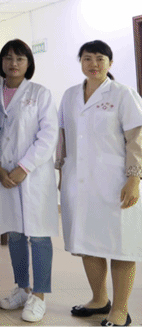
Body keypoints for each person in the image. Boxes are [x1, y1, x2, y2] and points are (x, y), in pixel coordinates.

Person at [59, 40, 142, 327]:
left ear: (110, 63)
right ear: (80, 62)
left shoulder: (122, 94)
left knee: (121, 245)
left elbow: (136, 139)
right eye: (87, 58)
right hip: (78, 181)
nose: (93, 64)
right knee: (87, 242)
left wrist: (134, 178)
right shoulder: (70, 95)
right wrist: (62, 174)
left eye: (99, 58)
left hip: (115, 182)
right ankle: (98, 299)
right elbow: (63, 137)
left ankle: (120, 310)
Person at [0, 39, 58, 323]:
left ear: (29, 63)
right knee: (14, 234)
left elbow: (48, 135)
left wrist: (24, 167)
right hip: (2, 174)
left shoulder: (40, 93)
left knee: (38, 235)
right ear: (1, 62)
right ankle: (22, 288)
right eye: (7, 58)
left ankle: (39, 295)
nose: (13, 63)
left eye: (19, 58)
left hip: (33, 177)